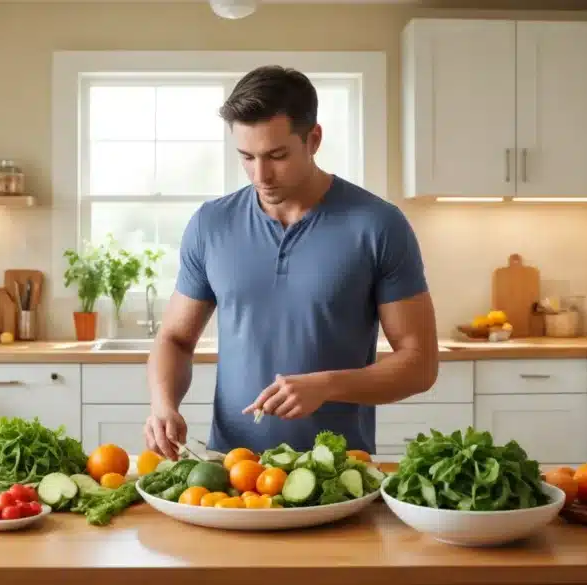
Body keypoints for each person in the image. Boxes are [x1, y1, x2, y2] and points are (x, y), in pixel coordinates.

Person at [144, 65, 439, 459]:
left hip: (338, 473)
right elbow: (175, 339)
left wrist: (327, 386)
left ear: (313, 139)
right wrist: (164, 404)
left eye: (277, 155)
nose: (260, 175)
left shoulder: (378, 225)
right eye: (246, 157)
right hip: (231, 471)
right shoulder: (211, 225)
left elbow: (420, 363)